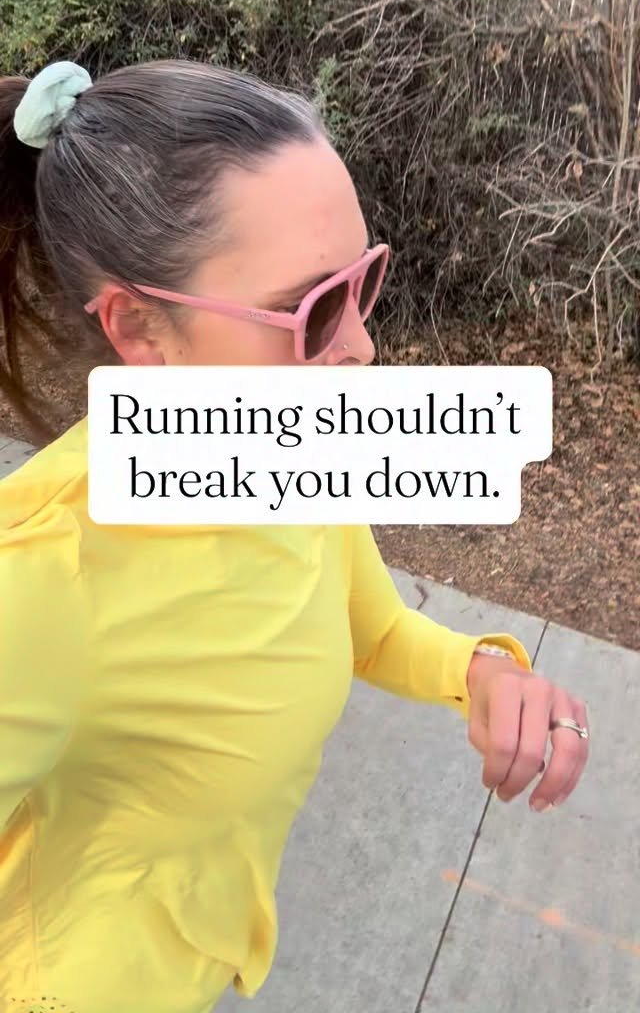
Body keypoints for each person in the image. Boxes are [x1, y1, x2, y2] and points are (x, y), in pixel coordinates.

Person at [0, 61, 589, 1013]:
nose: (361, 346)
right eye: (313, 310)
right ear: (140, 330)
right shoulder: (38, 584)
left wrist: (480, 671)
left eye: (365, 281)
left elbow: (370, 627)